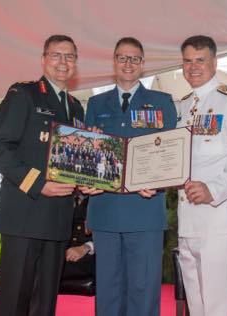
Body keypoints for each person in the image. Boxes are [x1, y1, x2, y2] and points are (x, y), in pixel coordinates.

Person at [0, 34, 84, 316]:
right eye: (56, 55)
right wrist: (39, 184)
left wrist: (88, 182)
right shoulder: (24, 94)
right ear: (43, 59)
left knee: (45, 304)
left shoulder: (76, 107)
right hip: (24, 217)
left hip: (58, 219)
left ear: (76, 63)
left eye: (69, 56)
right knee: (15, 301)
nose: (62, 62)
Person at [85, 37, 177, 316]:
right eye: (122, 57)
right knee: (108, 291)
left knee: (144, 290)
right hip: (105, 211)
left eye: (134, 58)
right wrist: (87, 179)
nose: (128, 63)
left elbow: (171, 152)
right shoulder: (96, 103)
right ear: (114, 61)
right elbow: (87, 154)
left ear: (142, 64)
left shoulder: (161, 102)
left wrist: (159, 184)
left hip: (145, 210)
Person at [176, 35, 227, 316]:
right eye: (187, 61)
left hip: (221, 217)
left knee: (219, 305)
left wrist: (214, 188)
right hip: (188, 219)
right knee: (197, 304)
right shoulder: (182, 106)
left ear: (214, 61)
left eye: (200, 60)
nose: (193, 67)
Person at [0, 195, 95, 316]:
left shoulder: (95, 198)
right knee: (24, 271)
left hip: (83, 257)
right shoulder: (63, 196)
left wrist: (86, 247)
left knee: (28, 278)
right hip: (54, 245)